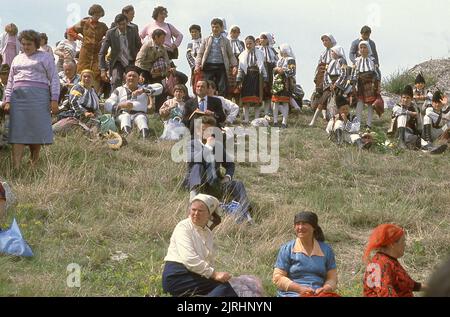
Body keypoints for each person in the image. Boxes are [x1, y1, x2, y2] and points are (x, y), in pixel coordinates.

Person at [162, 194, 238, 297]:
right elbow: (189, 259)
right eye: (193, 210)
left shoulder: (208, 233)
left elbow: (208, 261)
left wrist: (216, 276)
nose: (196, 213)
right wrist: (214, 274)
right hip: (177, 276)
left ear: (209, 215)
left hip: (193, 275)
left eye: (200, 211)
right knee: (226, 288)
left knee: (229, 289)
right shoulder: (183, 227)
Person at [3, 30, 59, 169]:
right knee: (18, 130)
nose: (26, 47)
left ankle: (33, 162)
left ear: (36, 44)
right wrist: (8, 99)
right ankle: (16, 166)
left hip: (39, 97)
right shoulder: (17, 58)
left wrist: (54, 99)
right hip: (18, 98)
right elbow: (10, 81)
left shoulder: (45, 57)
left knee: (36, 129)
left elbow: (54, 79)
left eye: (29, 44)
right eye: (23, 44)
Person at [185, 114, 252, 223]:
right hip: (200, 184)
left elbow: (230, 164)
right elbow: (193, 159)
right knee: (197, 165)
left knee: (238, 184)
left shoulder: (218, 146)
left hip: (216, 183)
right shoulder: (192, 144)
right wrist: (208, 147)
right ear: (198, 131)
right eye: (203, 130)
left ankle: (246, 215)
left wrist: (227, 177)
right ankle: (193, 200)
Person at [273, 211, 338, 297]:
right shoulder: (287, 249)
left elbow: (332, 278)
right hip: (293, 294)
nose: (300, 227)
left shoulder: (326, 250)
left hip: (318, 293)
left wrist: (326, 288)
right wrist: (300, 289)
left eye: (304, 224)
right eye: (297, 224)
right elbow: (278, 278)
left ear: (313, 227)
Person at [363, 224, 426, 297]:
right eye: (403, 241)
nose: (405, 245)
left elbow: (410, 284)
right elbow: (386, 294)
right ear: (392, 244)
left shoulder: (389, 260)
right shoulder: (380, 264)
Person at [68, 4, 108, 90]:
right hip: (85, 52)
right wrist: (80, 38)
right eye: (96, 15)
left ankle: (94, 95)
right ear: (92, 13)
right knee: (82, 71)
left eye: (99, 15)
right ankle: (79, 93)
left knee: (96, 73)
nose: (97, 17)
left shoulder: (103, 26)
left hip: (97, 53)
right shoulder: (83, 23)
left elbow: (109, 35)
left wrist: (103, 40)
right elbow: (70, 30)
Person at [195, 18, 238, 97]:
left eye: (217, 27)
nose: (215, 29)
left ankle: (221, 106)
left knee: (222, 88)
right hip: (208, 66)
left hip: (221, 66)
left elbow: (231, 55)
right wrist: (197, 65)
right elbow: (200, 54)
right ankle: (207, 105)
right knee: (207, 86)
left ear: (221, 28)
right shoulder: (206, 39)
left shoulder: (226, 41)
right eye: (213, 27)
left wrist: (235, 65)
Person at [99, 14, 142, 92]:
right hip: (117, 62)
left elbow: (140, 47)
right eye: (120, 25)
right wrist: (103, 70)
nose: (122, 27)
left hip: (131, 60)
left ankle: (132, 99)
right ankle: (114, 100)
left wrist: (140, 62)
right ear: (116, 24)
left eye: (124, 24)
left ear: (127, 23)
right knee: (115, 80)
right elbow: (102, 53)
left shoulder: (133, 30)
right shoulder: (110, 33)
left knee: (132, 80)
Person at [104, 66, 150, 139]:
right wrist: (120, 105)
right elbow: (108, 103)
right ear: (125, 77)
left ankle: (145, 139)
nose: (131, 78)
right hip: (123, 114)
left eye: (134, 76)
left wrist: (142, 91)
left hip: (139, 114)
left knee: (141, 118)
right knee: (126, 116)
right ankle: (127, 138)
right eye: (129, 76)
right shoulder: (119, 89)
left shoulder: (145, 89)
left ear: (138, 78)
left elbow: (159, 87)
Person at [135, 29, 173, 114]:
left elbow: (167, 61)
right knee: (143, 88)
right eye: (162, 38)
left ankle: (158, 111)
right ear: (156, 37)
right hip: (143, 69)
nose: (164, 40)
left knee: (160, 88)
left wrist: (168, 70)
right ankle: (141, 109)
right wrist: (139, 74)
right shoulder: (147, 45)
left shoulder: (162, 48)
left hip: (155, 72)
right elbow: (139, 60)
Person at [310, 45, 349, 126]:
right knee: (322, 101)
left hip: (338, 84)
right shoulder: (330, 62)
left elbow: (344, 73)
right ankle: (313, 121)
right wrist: (329, 84)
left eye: (333, 51)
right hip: (329, 84)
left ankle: (337, 121)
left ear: (337, 52)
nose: (331, 53)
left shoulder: (342, 61)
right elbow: (326, 74)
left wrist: (336, 84)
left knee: (336, 103)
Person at [53, 69, 100, 135]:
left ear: (92, 79)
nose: (86, 78)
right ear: (81, 78)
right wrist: (84, 112)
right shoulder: (78, 88)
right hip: (76, 114)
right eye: (84, 76)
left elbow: (96, 106)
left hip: (90, 116)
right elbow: (74, 102)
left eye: (89, 77)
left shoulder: (93, 91)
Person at [350, 41, 382, 131]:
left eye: (365, 47)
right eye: (361, 48)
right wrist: (353, 85)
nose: (363, 49)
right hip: (360, 83)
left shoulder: (372, 60)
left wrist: (378, 85)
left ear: (368, 49)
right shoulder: (356, 61)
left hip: (371, 83)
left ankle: (368, 124)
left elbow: (377, 73)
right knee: (359, 103)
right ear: (359, 50)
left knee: (370, 104)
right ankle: (358, 123)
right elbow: (354, 73)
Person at [237, 36, 268, 124]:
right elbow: (240, 68)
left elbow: (263, 66)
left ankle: (256, 119)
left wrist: (265, 80)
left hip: (257, 77)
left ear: (255, 43)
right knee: (245, 99)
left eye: (250, 43)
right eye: (247, 43)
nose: (248, 45)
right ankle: (246, 119)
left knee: (257, 99)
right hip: (246, 77)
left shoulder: (260, 53)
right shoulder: (242, 55)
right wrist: (239, 80)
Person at [271, 44, 296, 129]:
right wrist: (276, 70)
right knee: (275, 101)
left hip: (286, 82)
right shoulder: (280, 60)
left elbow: (292, 71)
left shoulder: (291, 60)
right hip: (277, 82)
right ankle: (275, 121)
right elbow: (275, 70)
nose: (280, 52)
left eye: (280, 50)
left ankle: (284, 122)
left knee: (285, 101)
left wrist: (283, 71)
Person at [389, 85, 421, 150]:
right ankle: (401, 141)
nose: (405, 100)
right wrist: (411, 113)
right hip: (397, 132)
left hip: (409, 131)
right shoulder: (397, 106)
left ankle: (427, 146)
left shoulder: (415, 108)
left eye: (408, 98)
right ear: (401, 98)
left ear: (411, 99)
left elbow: (419, 122)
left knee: (413, 138)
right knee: (402, 115)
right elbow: (399, 111)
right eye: (403, 97)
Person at [311, 34, 337, 112]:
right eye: (323, 41)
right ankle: (322, 109)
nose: (325, 42)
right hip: (322, 74)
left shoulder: (335, 51)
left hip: (331, 74)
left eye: (326, 40)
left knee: (330, 91)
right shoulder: (323, 53)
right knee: (320, 90)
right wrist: (316, 75)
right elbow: (319, 64)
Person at [257, 32, 278, 116]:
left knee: (268, 91)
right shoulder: (257, 49)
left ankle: (267, 111)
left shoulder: (272, 50)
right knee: (259, 90)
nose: (262, 40)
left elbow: (276, 60)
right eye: (261, 38)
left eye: (264, 38)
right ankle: (257, 112)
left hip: (270, 70)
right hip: (259, 71)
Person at [186, 25, 202, 90]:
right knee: (196, 85)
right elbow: (188, 56)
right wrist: (195, 66)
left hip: (204, 66)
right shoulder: (190, 44)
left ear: (199, 32)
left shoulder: (204, 42)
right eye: (192, 32)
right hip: (195, 68)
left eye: (195, 32)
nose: (194, 33)